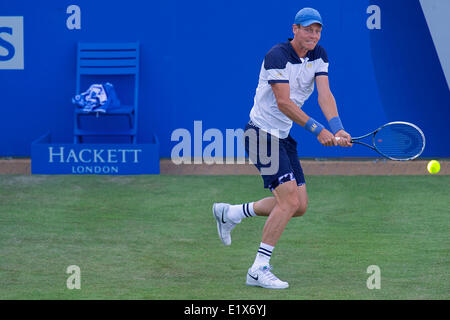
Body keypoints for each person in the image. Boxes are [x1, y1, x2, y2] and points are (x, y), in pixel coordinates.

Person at [213, 7, 352, 289]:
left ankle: (232, 213)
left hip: (283, 137)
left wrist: (337, 127)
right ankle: (258, 269)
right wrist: (318, 130)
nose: (313, 34)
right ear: (295, 29)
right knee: (288, 201)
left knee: (298, 206)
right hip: (260, 135)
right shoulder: (277, 55)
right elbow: (284, 103)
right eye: (308, 29)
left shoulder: (319, 55)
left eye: (317, 30)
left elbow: (325, 93)